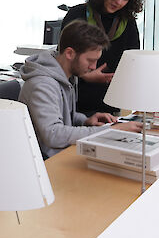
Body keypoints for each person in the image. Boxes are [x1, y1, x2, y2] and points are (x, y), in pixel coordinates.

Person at [18, 20, 142, 158]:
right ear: (70, 53)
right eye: (90, 60)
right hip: (47, 161)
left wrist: (85, 120)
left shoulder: (67, 75)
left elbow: (62, 114)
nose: (94, 67)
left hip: (62, 152)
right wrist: (110, 131)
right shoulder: (42, 85)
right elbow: (53, 134)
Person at [61, 0, 144, 116]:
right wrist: (86, 76)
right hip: (76, 102)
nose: (118, 1)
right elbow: (63, 59)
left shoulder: (128, 22)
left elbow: (133, 59)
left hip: (111, 102)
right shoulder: (77, 14)